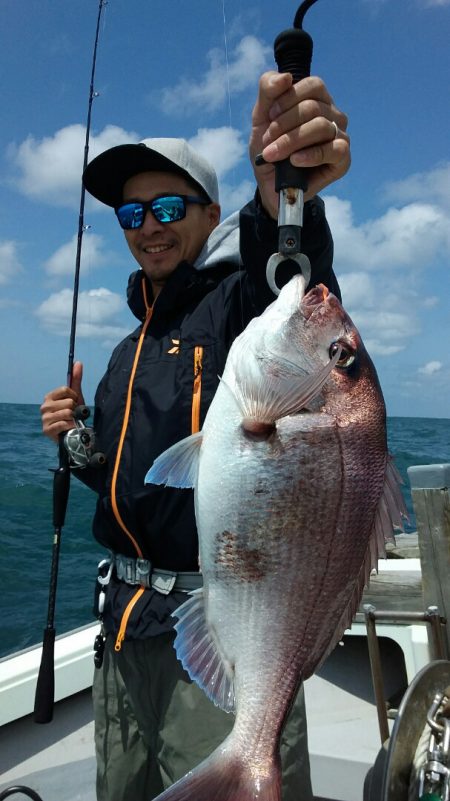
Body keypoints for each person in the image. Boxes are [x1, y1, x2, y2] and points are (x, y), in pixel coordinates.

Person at [41, 71, 350, 801]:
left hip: (220, 632)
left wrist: (283, 192)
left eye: (170, 206)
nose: (148, 224)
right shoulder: (125, 352)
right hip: (123, 634)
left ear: (211, 214)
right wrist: (78, 440)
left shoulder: (237, 310)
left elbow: (288, 269)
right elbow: (134, 479)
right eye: (131, 211)